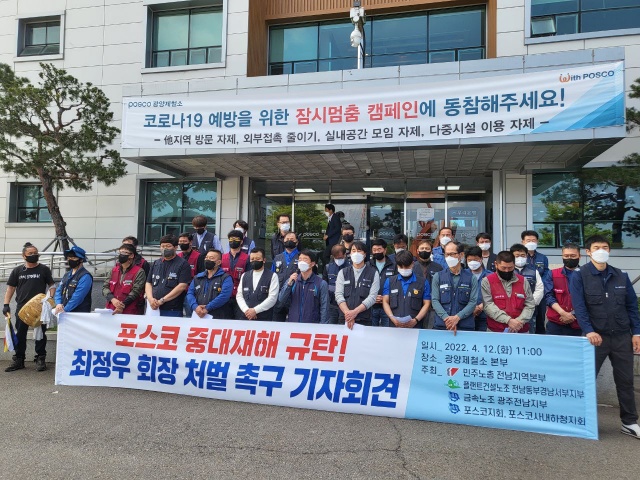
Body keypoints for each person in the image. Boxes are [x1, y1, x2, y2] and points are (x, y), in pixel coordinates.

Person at [569, 235, 640, 439]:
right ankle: (582, 420)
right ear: (588, 252)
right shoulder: (580, 276)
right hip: (595, 338)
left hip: (621, 337)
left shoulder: (621, 275)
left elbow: (631, 306)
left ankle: (629, 422)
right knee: (586, 381)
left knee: (625, 381)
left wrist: (636, 332)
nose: (601, 250)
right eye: (597, 247)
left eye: (605, 247)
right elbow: (580, 307)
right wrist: (589, 330)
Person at [4, 242, 55, 372]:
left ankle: (40, 358)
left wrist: (49, 298)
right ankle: (19, 359)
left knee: (40, 334)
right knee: (20, 334)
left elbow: (52, 286)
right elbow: (10, 288)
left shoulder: (44, 269)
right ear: (24, 256)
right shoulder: (18, 270)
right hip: (22, 308)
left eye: (35, 253)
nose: (33, 255)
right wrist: (6, 304)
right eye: (30, 253)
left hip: (40, 308)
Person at [482, 251, 535, 333]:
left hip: (521, 330)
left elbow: (530, 304)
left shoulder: (523, 281)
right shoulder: (487, 281)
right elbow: (488, 305)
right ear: (496, 264)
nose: (506, 271)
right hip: (496, 331)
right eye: (503, 268)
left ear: (514, 265)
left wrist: (519, 322)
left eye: (510, 268)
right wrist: (508, 320)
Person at [431, 241, 479, 332]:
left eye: (452, 254)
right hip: (442, 326)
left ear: (461, 255)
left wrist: (457, 317)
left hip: (465, 327)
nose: (449, 257)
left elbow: (473, 302)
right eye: (447, 254)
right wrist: (447, 319)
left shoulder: (471, 278)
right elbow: (435, 300)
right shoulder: (438, 276)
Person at [335, 241, 379, 329]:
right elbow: (338, 294)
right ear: (350, 254)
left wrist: (355, 312)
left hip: (364, 319)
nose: (356, 253)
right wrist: (348, 314)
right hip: (345, 318)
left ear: (365, 254)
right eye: (353, 250)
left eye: (359, 251)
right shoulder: (343, 272)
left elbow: (372, 297)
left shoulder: (373, 273)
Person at [145, 234, 192, 317]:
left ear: (175, 247)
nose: (165, 248)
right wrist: (150, 299)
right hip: (153, 308)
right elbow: (148, 283)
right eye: (162, 246)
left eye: (168, 246)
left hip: (172, 309)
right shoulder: (156, 263)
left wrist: (162, 300)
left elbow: (182, 286)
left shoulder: (183, 264)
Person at [382, 250, 431, 329]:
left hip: (415, 326)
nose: (404, 269)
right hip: (394, 325)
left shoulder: (423, 282)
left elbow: (427, 304)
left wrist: (416, 320)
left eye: (407, 266)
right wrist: (392, 317)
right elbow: (385, 301)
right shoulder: (390, 281)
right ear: (397, 266)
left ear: (412, 264)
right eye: (401, 267)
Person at [278, 250, 329, 324]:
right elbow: (281, 300)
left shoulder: (321, 283)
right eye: (300, 259)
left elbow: (325, 307)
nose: (302, 262)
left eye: (305, 259)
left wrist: (323, 326)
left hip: (312, 324)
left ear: (312, 264)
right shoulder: (292, 281)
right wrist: (288, 285)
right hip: (293, 323)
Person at [544, 243, 582, 336]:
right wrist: (563, 313)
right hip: (556, 322)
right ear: (562, 256)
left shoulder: (586, 275)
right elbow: (548, 296)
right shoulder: (552, 273)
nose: (569, 258)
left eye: (573, 256)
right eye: (566, 256)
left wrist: (572, 314)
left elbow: (590, 298)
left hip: (579, 323)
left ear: (579, 256)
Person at [186, 249, 233, 319]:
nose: (207, 260)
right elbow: (190, 293)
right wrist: (195, 307)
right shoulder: (197, 277)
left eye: (211, 258)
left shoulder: (225, 278)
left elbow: (224, 296)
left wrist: (207, 308)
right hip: (198, 315)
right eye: (206, 257)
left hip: (218, 317)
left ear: (219, 262)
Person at [236, 248, 279, 321]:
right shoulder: (244, 275)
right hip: (245, 318)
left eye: (258, 259)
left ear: (264, 260)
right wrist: (246, 311)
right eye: (252, 259)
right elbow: (239, 295)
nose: (254, 261)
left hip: (264, 319)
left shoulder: (273, 276)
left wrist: (255, 311)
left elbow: (272, 298)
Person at [103, 243, 146, 315]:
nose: (121, 255)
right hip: (111, 309)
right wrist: (113, 299)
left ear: (131, 255)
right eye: (120, 253)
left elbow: (136, 291)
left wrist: (121, 305)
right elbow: (105, 287)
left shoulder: (139, 271)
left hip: (129, 310)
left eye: (124, 252)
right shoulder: (113, 270)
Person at [510, 243, 545, 334]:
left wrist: (530, 304)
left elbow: (539, 289)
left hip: (530, 312)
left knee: (529, 336)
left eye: (523, 255)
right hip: (510, 313)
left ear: (527, 256)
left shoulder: (534, 271)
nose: (520, 258)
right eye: (517, 255)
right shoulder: (507, 271)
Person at [521, 230, 550, 334]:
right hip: (523, 292)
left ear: (537, 241)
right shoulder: (520, 257)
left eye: (533, 240)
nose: (531, 242)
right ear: (523, 242)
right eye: (528, 240)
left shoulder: (543, 257)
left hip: (539, 292)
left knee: (540, 319)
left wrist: (540, 287)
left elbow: (546, 273)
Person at [53, 246, 93, 316]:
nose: (70, 260)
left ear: (81, 260)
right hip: (63, 312)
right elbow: (59, 290)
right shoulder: (67, 275)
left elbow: (78, 297)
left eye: (74, 258)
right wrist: (58, 304)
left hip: (78, 314)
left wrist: (65, 310)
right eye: (69, 258)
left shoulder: (85, 276)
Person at [222, 229, 252, 318]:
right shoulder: (222, 257)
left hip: (241, 296)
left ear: (241, 241)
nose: (233, 241)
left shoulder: (247, 258)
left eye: (236, 239)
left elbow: (249, 278)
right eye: (231, 239)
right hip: (224, 295)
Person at [271, 231, 299, 321]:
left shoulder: (302, 257)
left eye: (292, 239)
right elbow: (272, 276)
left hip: (295, 297)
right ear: (283, 241)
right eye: (287, 239)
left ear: (297, 242)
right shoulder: (277, 257)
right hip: (279, 297)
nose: (289, 241)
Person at [370, 239, 396, 327]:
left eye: (379, 249)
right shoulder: (367, 265)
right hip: (371, 306)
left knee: (387, 332)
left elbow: (397, 285)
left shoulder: (394, 265)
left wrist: (386, 298)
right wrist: (372, 297)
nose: (376, 252)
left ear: (385, 250)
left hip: (388, 307)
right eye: (374, 250)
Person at [465, 246, 491, 332]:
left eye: (475, 260)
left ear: (481, 259)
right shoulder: (462, 275)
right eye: (469, 260)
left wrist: (480, 307)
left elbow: (495, 294)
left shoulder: (490, 276)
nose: (472, 262)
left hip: (485, 316)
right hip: (466, 316)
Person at [178, 232, 203, 317]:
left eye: (184, 241)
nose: (182, 243)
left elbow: (201, 275)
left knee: (190, 315)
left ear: (191, 242)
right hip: (178, 291)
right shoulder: (178, 256)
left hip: (192, 291)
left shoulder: (199, 256)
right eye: (180, 241)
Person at [323, 244, 348, 324]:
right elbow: (324, 285)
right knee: (331, 327)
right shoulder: (328, 267)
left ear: (345, 255)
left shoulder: (350, 268)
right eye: (336, 258)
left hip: (346, 304)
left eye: (340, 258)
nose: (338, 260)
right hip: (332, 304)